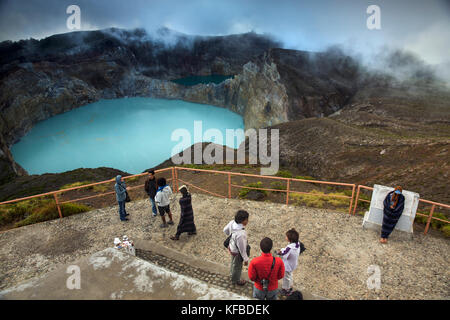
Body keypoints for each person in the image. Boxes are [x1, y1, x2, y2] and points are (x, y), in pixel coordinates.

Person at [223, 210, 250, 286]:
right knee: (238, 266)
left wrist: (230, 234)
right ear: (243, 221)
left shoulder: (232, 223)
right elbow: (242, 249)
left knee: (233, 262)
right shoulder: (241, 234)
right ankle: (236, 279)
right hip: (237, 251)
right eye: (246, 219)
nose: (247, 221)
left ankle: (232, 273)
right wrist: (246, 259)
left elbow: (225, 230)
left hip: (231, 247)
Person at [276, 228, 301, 296]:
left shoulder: (289, 248)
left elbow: (283, 254)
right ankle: (290, 287)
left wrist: (278, 252)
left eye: (286, 236)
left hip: (288, 266)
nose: (285, 237)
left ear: (290, 239)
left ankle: (286, 290)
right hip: (293, 263)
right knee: (290, 275)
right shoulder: (297, 244)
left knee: (286, 277)